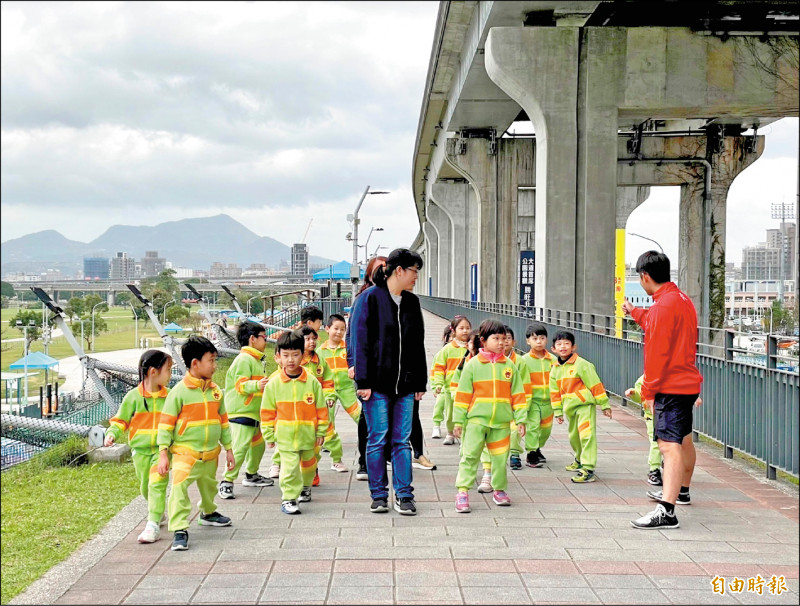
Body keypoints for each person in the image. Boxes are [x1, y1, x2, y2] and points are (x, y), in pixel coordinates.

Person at [623, 251, 703, 530]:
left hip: (671, 386)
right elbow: (657, 324)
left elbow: (656, 355)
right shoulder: (679, 299)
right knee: (683, 440)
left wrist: (647, 392)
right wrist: (635, 312)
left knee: (669, 446)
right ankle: (681, 491)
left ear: (645, 276)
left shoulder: (662, 307)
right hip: (687, 382)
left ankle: (666, 510)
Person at [352, 248, 427, 515]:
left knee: (401, 440)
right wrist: (362, 380)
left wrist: (420, 382)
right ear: (399, 270)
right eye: (414, 271)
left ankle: (405, 495)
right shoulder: (369, 299)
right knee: (377, 438)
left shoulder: (412, 302)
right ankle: (379, 495)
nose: (416, 276)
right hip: (376, 385)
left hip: (405, 385)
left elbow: (417, 345)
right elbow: (359, 343)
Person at [157, 336, 234, 552]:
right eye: (211, 360)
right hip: (185, 454)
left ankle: (208, 513)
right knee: (179, 489)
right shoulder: (179, 393)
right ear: (195, 363)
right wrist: (163, 452)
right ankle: (179, 528)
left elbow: (224, 422)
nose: (214, 365)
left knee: (209, 486)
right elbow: (165, 425)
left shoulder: (216, 391)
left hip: (211, 453)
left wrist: (229, 449)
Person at [452, 319, 528, 512]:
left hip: (501, 424)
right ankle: (462, 492)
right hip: (476, 422)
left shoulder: (509, 366)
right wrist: (458, 421)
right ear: (484, 341)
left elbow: (518, 395)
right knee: (469, 457)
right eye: (496, 338)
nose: (501, 342)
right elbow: (462, 396)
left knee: (500, 459)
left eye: (504, 339)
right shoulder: (472, 365)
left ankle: (499, 490)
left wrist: (521, 419)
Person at [105, 349, 173, 543]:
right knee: (146, 488)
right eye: (167, 370)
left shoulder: (170, 397)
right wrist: (112, 434)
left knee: (156, 484)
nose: (170, 374)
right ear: (153, 371)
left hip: (162, 451)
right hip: (140, 452)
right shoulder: (133, 397)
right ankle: (158, 512)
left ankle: (152, 526)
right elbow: (121, 421)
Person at [261, 330, 329, 515]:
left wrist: (321, 431)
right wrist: (268, 434)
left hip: (309, 435)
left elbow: (321, 409)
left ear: (302, 355)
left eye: (295, 355)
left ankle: (306, 487)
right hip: (285, 437)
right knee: (289, 469)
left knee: (309, 466)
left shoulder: (312, 382)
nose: (290, 360)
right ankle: (289, 498)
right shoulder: (274, 384)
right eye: (286, 356)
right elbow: (266, 412)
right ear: (278, 357)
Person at [218, 321, 273, 500]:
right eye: (263, 337)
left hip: (254, 413)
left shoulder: (256, 360)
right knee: (239, 448)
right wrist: (258, 384)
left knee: (258, 446)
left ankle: (251, 474)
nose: (266, 341)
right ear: (252, 339)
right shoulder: (244, 359)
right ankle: (227, 481)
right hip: (241, 412)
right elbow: (240, 385)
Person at [549, 330, 611, 484]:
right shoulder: (555, 369)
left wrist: (604, 404)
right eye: (559, 344)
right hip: (569, 408)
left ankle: (588, 468)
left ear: (573, 347)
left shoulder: (582, 364)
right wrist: (557, 411)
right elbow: (554, 392)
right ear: (553, 349)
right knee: (574, 436)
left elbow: (595, 384)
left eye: (566, 343)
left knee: (586, 435)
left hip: (584, 405)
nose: (563, 346)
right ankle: (579, 458)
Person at [346, 256, 387, 481]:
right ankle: (364, 460)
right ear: (370, 273)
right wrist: (352, 363)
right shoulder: (363, 298)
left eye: (386, 268)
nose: (383, 272)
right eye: (378, 268)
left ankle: (380, 457)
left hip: (387, 368)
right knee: (368, 415)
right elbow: (351, 334)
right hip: (366, 367)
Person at [316, 315, 363, 473]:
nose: (339, 332)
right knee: (327, 421)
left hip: (347, 389)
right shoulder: (319, 352)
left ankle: (373, 445)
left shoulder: (348, 348)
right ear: (327, 329)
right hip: (327, 391)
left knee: (360, 416)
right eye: (336, 328)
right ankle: (335, 457)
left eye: (342, 329)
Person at [518, 323, 557, 468]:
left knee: (546, 429)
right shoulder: (524, 360)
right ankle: (531, 453)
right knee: (533, 427)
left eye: (542, 338)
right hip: (533, 400)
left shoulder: (553, 360)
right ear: (528, 341)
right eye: (535, 338)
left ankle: (537, 447)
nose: (539, 341)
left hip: (549, 401)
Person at [431, 315, 472, 443]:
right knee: (450, 413)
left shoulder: (472, 348)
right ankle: (450, 433)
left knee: (466, 412)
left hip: (468, 388)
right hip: (450, 388)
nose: (465, 331)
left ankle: (464, 434)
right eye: (461, 328)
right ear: (453, 331)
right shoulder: (447, 350)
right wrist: (438, 384)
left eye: (468, 328)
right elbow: (438, 368)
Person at [625, 374, 663, 486]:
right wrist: (633, 393)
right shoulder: (644, 379)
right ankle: (654, 469)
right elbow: (640, 396)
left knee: (670, 444)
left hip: (668, 416)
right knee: (656, 442)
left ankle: (668, 466)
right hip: (652, 417)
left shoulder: (669, 375)